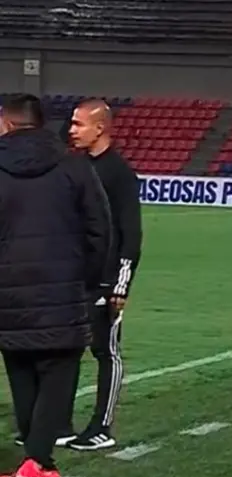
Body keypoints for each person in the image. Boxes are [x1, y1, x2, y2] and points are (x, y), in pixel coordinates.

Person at [0, 94, 112, 477]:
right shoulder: (74, 166)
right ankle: (37, 461)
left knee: (22, 372)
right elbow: (100, 229)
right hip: (64, 290)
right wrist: (87, 281)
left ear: (8, 124)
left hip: (8, 293)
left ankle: (36, 461)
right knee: (57, 375)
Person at [65, 98, 142, 451]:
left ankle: (102, 427)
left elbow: (131, 233)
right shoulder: (76, 166)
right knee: (64, 350)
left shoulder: (119, 173)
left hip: (106, 280)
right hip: (74, 277)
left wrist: (121, 284)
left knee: (105, 350)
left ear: (100, 128)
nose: (71, 130)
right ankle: (59, 423)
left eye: (78, 124)